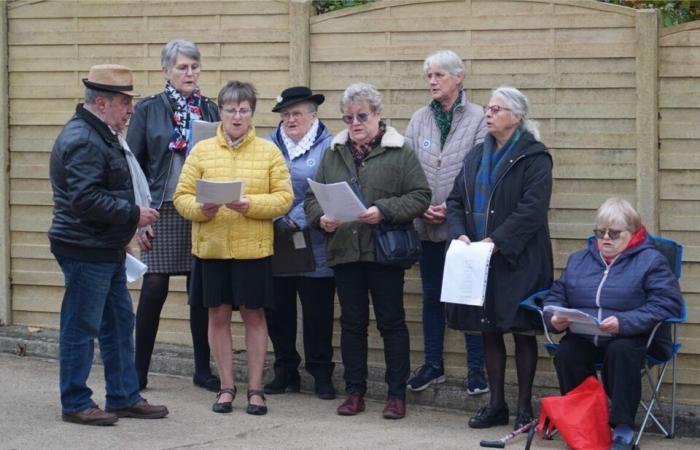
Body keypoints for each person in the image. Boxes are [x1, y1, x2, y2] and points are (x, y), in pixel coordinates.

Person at [49, 64, 169, 425]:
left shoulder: (100, 133)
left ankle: (122, 396)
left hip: (104, 247)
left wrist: (124, 233)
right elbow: (85, 200)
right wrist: (134, 215)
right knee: (81, 326)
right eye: (124, 103)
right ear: (101, 103)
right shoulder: (84, 139)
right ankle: (75, 402)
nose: (131, 110)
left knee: (118, 323)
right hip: (85, 249)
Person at [305, 82, 431, 420]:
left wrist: (383, 210)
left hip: (384, 253)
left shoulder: (400, 150)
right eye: (348, 118)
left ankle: (395, 395)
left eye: (362, 116)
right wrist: (322, 220)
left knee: (391, 324)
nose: (355, 123)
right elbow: (311, 198)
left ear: (378, 115)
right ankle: (355, 391)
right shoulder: (333, 152)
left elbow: (420, 196)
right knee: (351, 324)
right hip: (346, 251)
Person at [174, 81, 293, 415]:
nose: (237, 116)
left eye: (243, 110)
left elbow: (285, 197)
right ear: (220, 112)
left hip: (252, 248)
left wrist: (250, 204)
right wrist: (202, 209)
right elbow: (181, 197)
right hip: (211, 248)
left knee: (255, 315)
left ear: (252, 113)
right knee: (218, 315)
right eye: (230, 109)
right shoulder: (201, 151)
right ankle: (226, 387)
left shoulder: (269, 151)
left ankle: (256, 389)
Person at [446, 86, 552, 430]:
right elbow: (455, 201)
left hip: (519, 259)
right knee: (488, 330)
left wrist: (497, 240)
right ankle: (496, 404)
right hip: (479, 258)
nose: (488, 113)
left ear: (517, 116)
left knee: (521, 331)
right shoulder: (476, 155)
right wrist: (460, 233)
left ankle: (524, 409)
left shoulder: (535, 157)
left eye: (496, 109)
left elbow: (532, 210)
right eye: (488, 108)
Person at [544, 197, 683, 450]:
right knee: (567, 352)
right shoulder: (579, 260)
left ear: (633, 233)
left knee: (621, 351)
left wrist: (624, 322)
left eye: (614, 233)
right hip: (586, 335)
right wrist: (554, 318)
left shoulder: (651, 261)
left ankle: (622, 428)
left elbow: (667, 303)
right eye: (600, 232)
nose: (605, 238)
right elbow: (556, 295)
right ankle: (585, 422)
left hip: (633, 337)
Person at [127, 39, 221, 392]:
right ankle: (138, 371)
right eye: (182, 67)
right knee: (154, 286)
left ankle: (202, 369)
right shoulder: (149, 109)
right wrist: (136, 217)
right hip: (161, 207)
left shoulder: (211, 110)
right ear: (165, 70)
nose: (190, 73)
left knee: (200, 290)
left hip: (202, 207)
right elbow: (131, 165)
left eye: (195, 66)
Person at [404, 49, 488, 394]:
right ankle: (434, 365)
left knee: (469, 299)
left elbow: (481, 170)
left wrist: (452, 210)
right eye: (429, 76)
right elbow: (406, 168)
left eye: (439, 75)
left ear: (459, 76)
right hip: (426, 224)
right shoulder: (419, 119)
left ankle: (476, 371)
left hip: (464, 227)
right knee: (431, 296)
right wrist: (421, 205)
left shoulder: (479, 117)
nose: (432, 81)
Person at [263, 86, 336, 399]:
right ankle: (285, 371)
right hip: (276, 238)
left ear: (313, 115)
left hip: (315, 243)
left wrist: (299, 219)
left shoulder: (330, 147)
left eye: (297, 113)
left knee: (318, 313)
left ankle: (321, 373)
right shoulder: (267, 145)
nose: (290, 119)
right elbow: (258, 184)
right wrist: (279, 219)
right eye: (286, 114)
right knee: (278, 312)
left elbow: (329, 188)